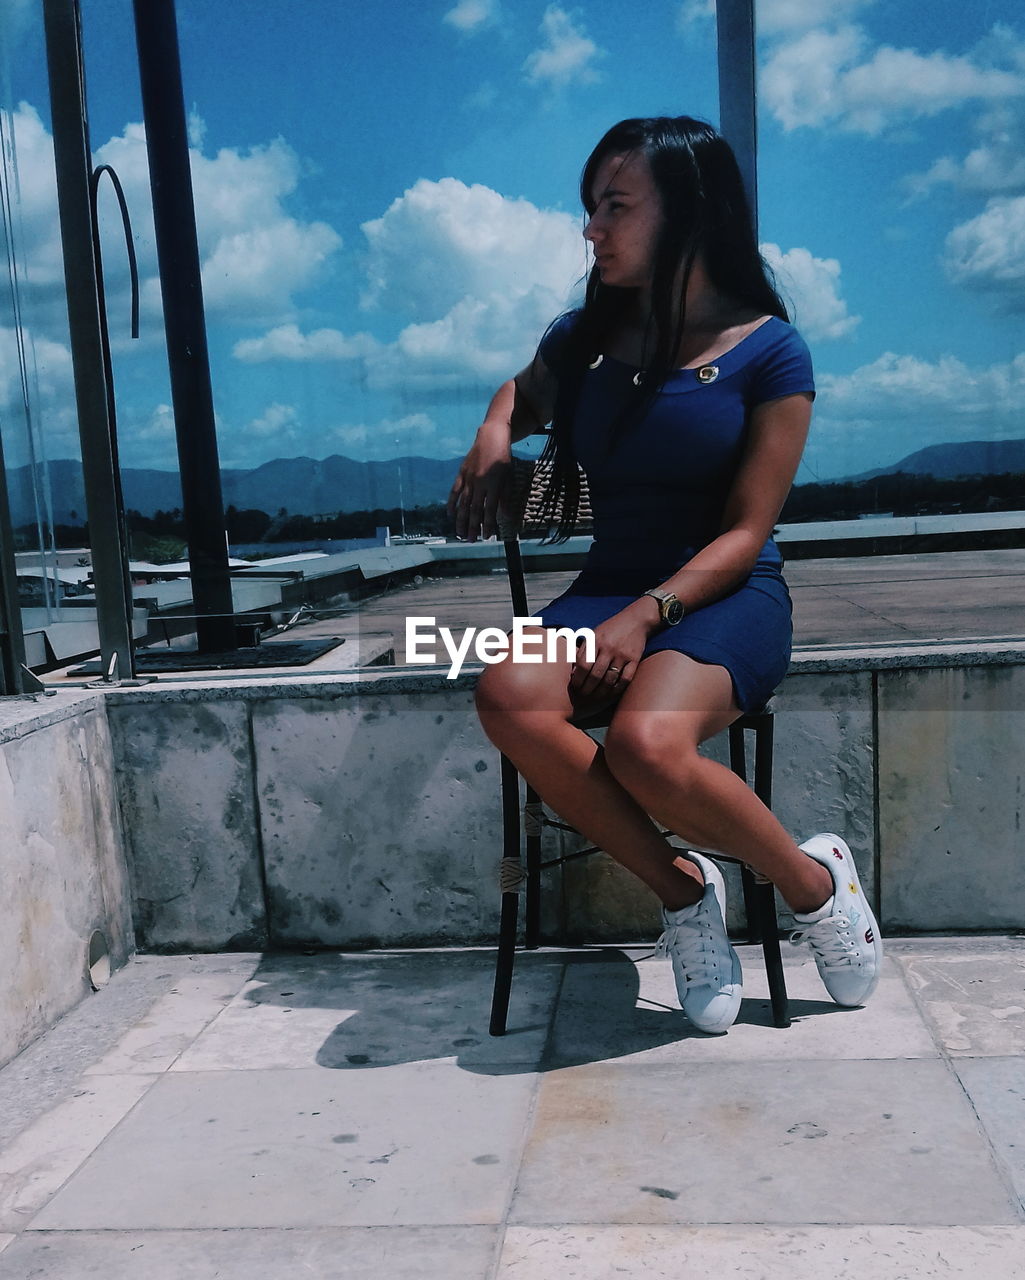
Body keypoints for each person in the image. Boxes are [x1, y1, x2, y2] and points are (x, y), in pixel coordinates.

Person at [447, 116, 882, 1034]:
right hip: (610, 587)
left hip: (725, 592)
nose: (590, 229)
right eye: (589, 207)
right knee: (506, 694)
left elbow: (747, 530)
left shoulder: (769, 352)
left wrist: (648, 616)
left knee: (648, 744)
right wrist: (495, 431)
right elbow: (521, 395)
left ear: (689, 209)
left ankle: (814, 885)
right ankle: (685, 894)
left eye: (614, 206)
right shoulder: (587, 339)